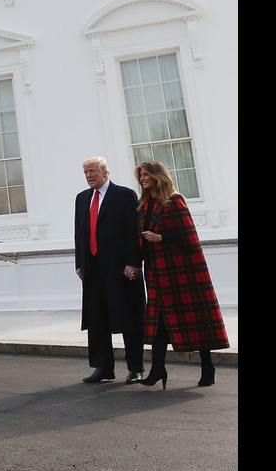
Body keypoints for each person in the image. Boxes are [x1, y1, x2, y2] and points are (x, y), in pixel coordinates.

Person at [135, 161, 229, 389]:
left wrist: (161, 238)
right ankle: (157, 369)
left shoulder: (174, 200)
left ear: (158, 176)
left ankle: (208, 366)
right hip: (156, 273)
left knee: (195, 320)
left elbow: (189, 236)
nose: (142, 178)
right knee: (158, 323)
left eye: (146, 174)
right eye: (140, 175)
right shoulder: (145, 204)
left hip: (181, 272)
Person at [75, 156, 146, 384]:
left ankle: (135, 368)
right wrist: (80, 263)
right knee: (96, 319)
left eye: (92, 171)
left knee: (128, 317)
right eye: (85, 172)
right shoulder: (82, 199)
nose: (88, 176)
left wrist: (133, 262)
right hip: (93, 270)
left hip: (121, 269)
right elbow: (80, 234)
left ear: (105, 172)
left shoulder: (124, 195)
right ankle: (103, 368)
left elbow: (133, 231)